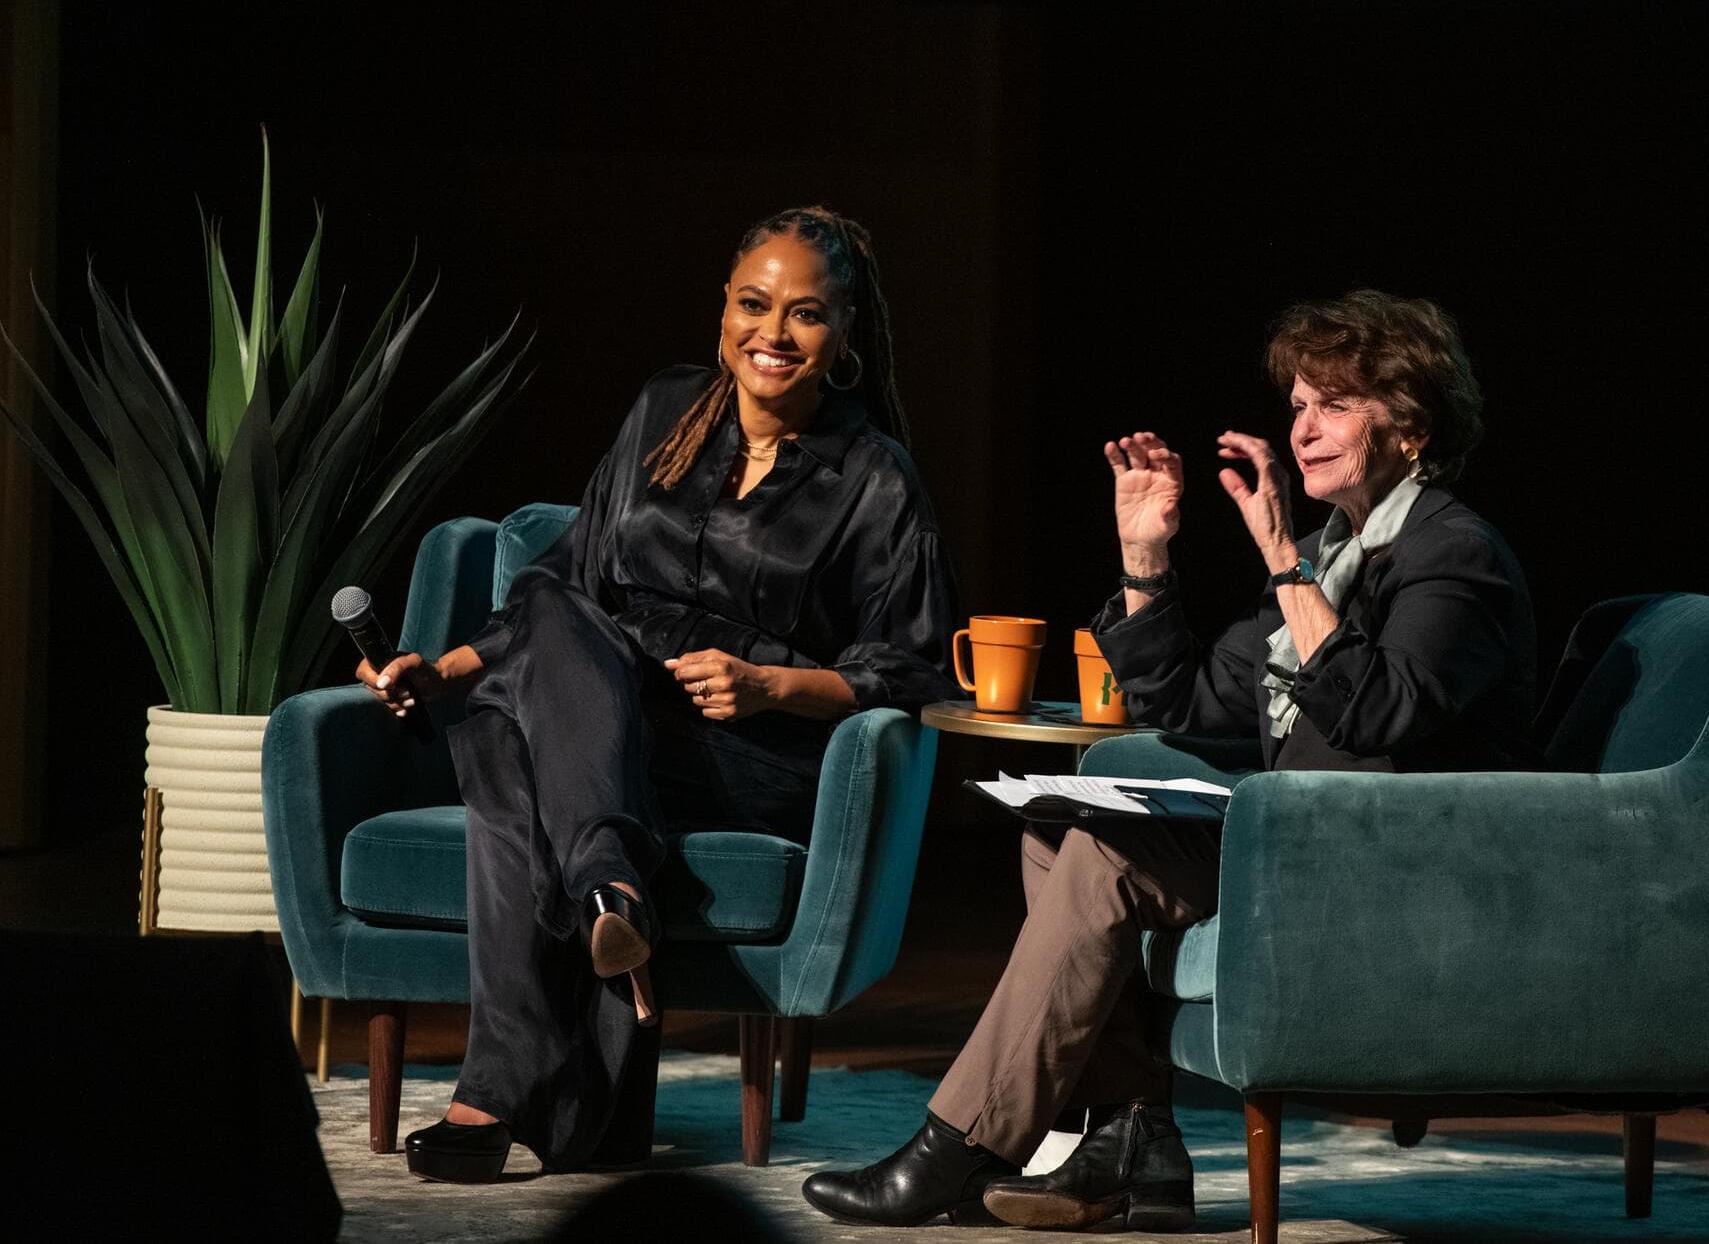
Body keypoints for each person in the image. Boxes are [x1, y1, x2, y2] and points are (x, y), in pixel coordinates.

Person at [802, 288, 1538, 1230]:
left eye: (1334, 405)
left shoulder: (1453, 556)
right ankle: (1133, 1139)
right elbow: (1192, 704)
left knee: (1107, 858)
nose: (1303, 430)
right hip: (1300, 841)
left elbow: (1375, 711)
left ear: (1412, 426)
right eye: (1299, 404)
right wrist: (1143, 558)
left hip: (1400, 865)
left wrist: (1283, 558)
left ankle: (962, 1143)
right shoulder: (1336, 554)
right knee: (1056, 831)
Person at [357, 206, 957, 1183]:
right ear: (722, 309)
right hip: (611, 715)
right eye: (753, 304)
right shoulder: (664, 409)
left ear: (845, 333)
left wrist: (769, 684)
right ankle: (609, 888)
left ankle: (504, 1087)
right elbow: (566, 581)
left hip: (746, 747)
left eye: (805, 313)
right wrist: (440, 669)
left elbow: (915, 668)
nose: (772, 332)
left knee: (503, 743)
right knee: (540, 638)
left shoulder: (874, 477)